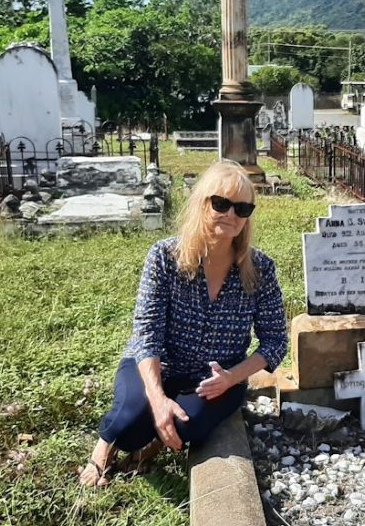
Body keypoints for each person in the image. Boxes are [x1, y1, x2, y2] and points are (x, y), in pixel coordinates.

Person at [79, 161, 288, 487]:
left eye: (242, 208)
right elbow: (146, 332)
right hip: (158, 363)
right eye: (221, 203)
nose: (231, 214)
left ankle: (155, 441)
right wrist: (158, 399)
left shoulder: (259, 269)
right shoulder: (164, 257)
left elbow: (275, 340)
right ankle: (104, 447)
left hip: (216, 377)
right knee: (127, 426)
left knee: (191, 425)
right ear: (202, 202)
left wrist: (232, 378)